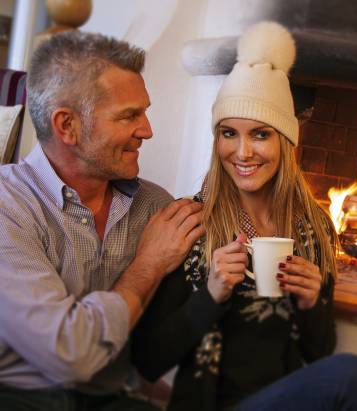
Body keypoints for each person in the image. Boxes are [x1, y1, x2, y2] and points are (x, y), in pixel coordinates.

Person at [132, 22, 357, 411]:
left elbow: (319, 354)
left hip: (286, 401)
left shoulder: (314, 228)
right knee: (351, 375)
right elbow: (148, 361)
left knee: (344, 377)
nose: (242, 152)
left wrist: (311, 305)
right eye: (228, 133)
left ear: (285, 142)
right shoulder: (190, 224)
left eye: (260, 134)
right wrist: (211, 294)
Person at [0, 32, 204, 410]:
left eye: (144, 111)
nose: (147, 130)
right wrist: (148, 266)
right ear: (67, 127)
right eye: (129, 115)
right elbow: (69, 355)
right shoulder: (7, 207)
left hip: (111, 399)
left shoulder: (152, 206)